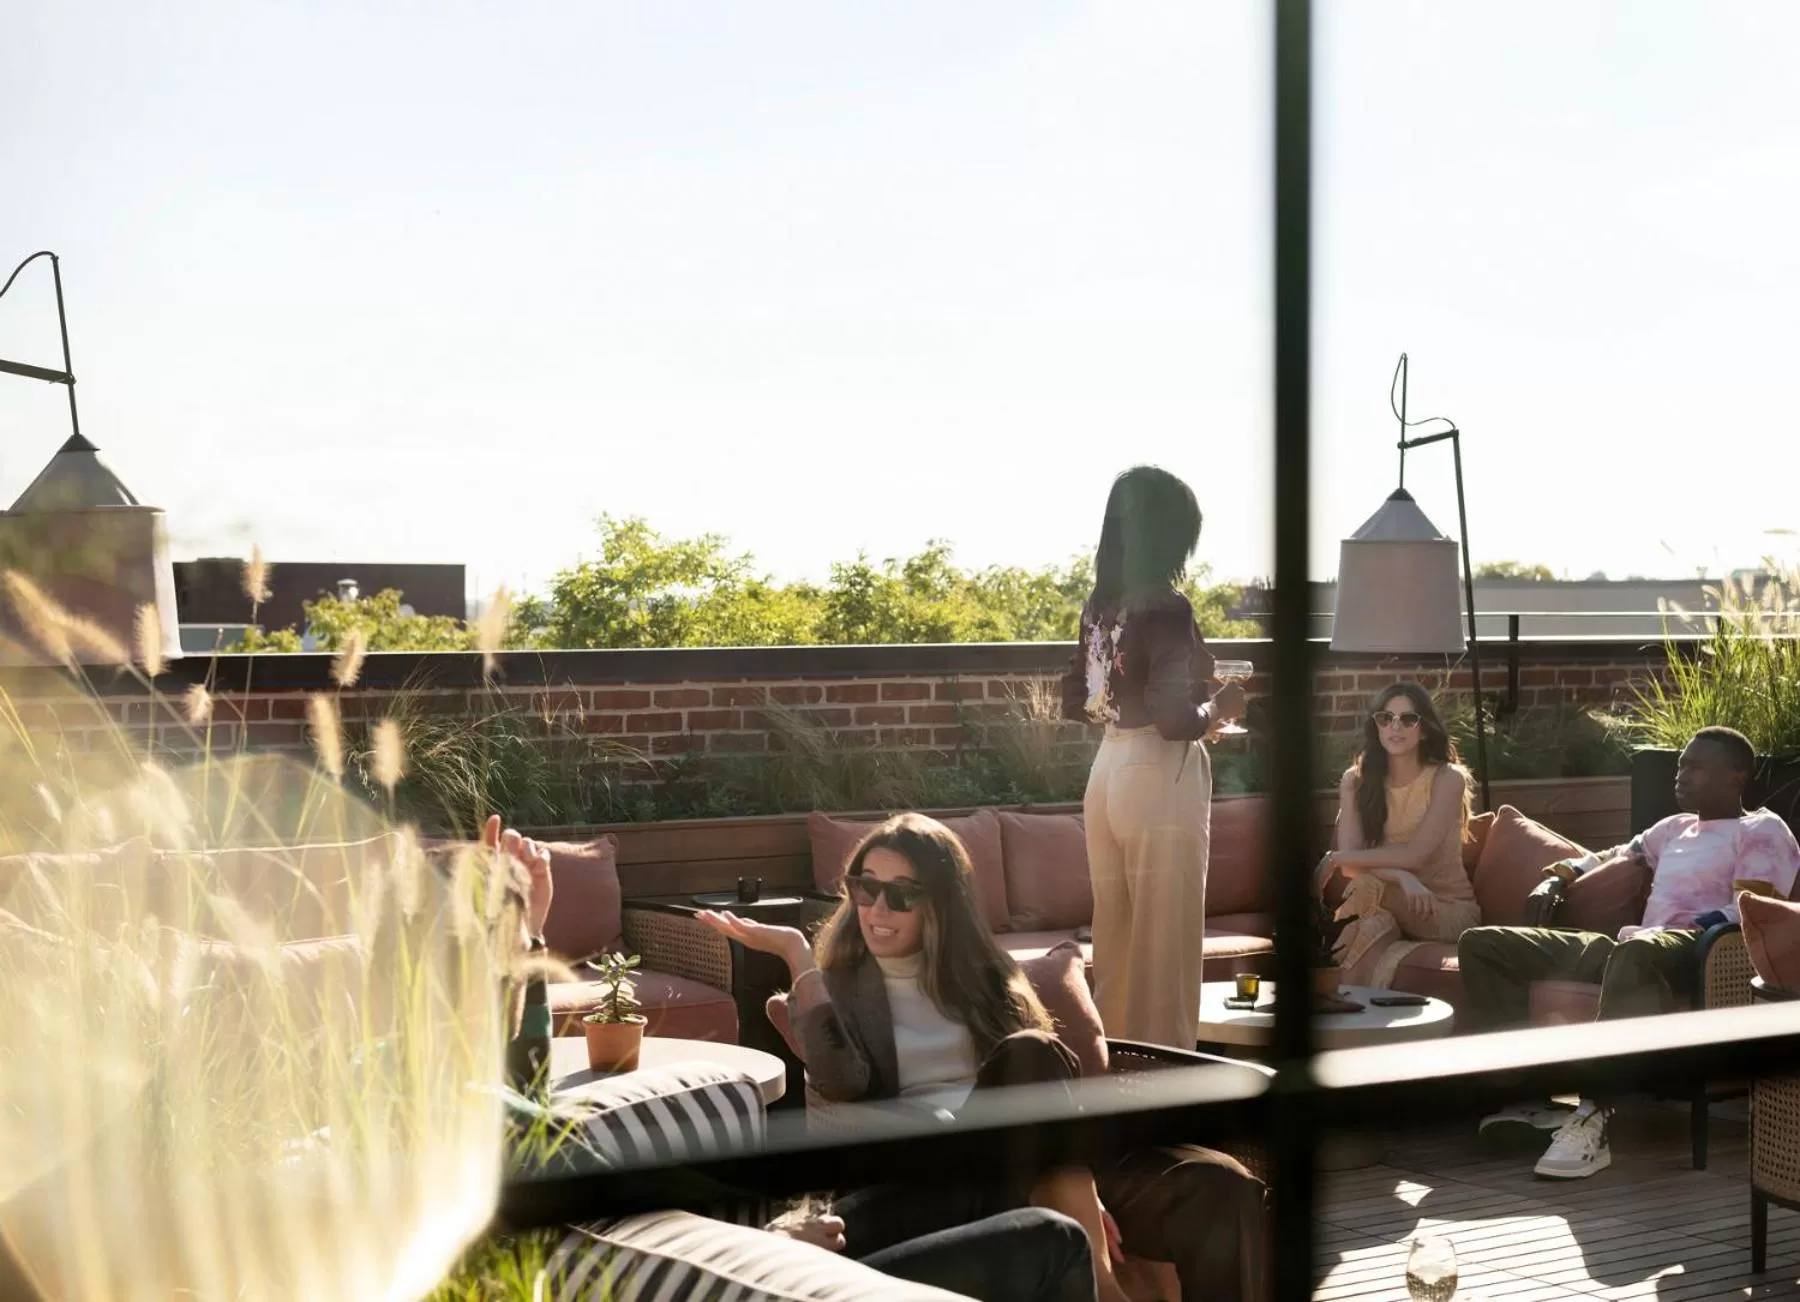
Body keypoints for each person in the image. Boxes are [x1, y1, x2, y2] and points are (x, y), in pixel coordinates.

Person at [699, 812, 1269, 1302]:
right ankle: (1100, 1285)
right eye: (865, 888)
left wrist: (1081, 1191)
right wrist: (799, 956)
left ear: (940, 903)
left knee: (1216, 1184)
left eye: (902, 894)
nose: (877, 908)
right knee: (1031, 1052)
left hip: (1038, 1162)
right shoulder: (837, 989)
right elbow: (840, 1080)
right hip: (945, 1175)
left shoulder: (986, 978)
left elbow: (1049, 1091)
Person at [1458, 726, 1800, 1180]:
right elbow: (1614, 854)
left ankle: (1595, 1114)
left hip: (1696, 955)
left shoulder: (1763, 830)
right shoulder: (1674, 827)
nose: (1681, 774)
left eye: (1696, 767)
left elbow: (1749, 910)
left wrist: (1684, 929)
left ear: (1736, 777)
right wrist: (1559, 876)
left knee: (1636, 949)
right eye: (1681, 764)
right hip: (1636, 947)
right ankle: (1527, 1099)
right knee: (1483, 945)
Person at [1059, 465, 1245, 1052]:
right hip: (1158, 776)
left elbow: (1075, 697)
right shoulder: (1167, 607)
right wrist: (1219, 708)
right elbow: (1172, 721)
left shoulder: (1100, 606)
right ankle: (1167, 1085)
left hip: (1106, 773)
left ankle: (1112, 1072)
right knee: (1166, 950)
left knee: (1116, 943)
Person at [1315, 683, 1481, 987]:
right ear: (1376, 726)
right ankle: (1349, 1001)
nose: (1395, 726)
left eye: (1408, 719)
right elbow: (1352, 865)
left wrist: (1335, 858)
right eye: (1385, 718)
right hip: (1390, 901)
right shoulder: (1355, 781)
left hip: (1442, 908)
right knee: (1371, 919)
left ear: (1425, 729)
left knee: (1367, 887)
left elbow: (1414, 857)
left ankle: (1325, 987)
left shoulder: (1447, 779)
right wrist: (1401, 877)